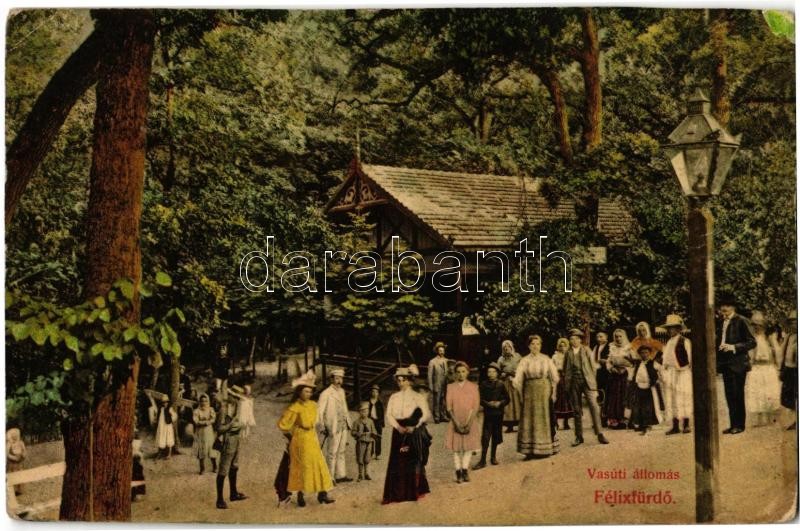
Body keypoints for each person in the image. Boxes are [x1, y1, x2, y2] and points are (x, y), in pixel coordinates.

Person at [277, 370, 335, 507]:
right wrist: (290, 437)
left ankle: (322, 494)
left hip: (312, 437)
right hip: (300, 439)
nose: (308, 394)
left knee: (319, 464)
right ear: (299, 392)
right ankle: (301, 494)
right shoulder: (295, 407)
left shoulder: (313, 405)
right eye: (305, 391)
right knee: (303, 467)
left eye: (310, 392)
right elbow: (283, 424)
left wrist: (323, 428)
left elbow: (318, 420)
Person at [383, 364, 433, 504]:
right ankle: (397, 493)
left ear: (409, 380)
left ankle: (413, 492)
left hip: (412, 430)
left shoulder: (417, 397)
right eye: (398, 380)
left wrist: (415, 426)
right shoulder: (394, 397)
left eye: (403, 380)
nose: (401, 383)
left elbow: (425, 414)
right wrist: (397, 427)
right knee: (397, 460)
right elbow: (389, 414)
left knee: (412, 459)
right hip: (398, 430)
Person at [514, 335, 560, 459]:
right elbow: (518, 379)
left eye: (538, 344)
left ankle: (545, 448)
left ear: (541, 346)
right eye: (533, 344)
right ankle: (529, 450)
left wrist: (553, 393)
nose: (535, 346)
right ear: (529, 346)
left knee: (544, 418)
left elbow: (555, 378)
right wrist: (521, 394)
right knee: (529, 419)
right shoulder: (524, 360)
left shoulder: (546, 359)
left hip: (544, 391)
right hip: (529, 392)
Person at [716, 293, 756, 434]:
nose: (724, 308)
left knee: (737, 394)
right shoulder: (721, 322)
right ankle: (733, 424)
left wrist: (733, 347)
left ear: (733, 307)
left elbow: (752, 342)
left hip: (738, 364)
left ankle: (739, 425)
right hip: (726, 364)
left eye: (727, 305)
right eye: (722, 305)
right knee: (729, 395)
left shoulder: (742, 321)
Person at [564, 328, 610, 446]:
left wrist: (592, 381)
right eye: (571, 339)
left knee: (594, 406)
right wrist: (567, 384)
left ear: (580, 340)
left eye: (576, 339)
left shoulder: (586, 350)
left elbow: (593, 367)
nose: (574, 341)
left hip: (587, 381)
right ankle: (578, 436)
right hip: (573, 382)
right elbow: (566, 369)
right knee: (576, 409)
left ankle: (600, 434)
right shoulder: (568, 353)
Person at [445, 361, 481, 483]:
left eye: (463, 371)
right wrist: (456, 423)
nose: (461, 374)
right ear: (455, 373)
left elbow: (475, 406)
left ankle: (465, 470)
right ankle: (458, 471)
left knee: (468, 447)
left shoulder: (473, 387)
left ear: (467, 373)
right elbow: (449, 407)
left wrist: (469, 423)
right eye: (458, 372)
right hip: (456, 420)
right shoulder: (450, 387)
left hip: (469, 419)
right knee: (456, 448)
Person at [745, 311, 781, 427]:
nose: (756, 327)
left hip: (768, 367)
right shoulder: (751, 338)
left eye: (759, 325)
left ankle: (770, 418)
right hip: (756, 368)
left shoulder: (769, 338)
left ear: (763, 325)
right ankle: (759, 419)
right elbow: (750, 354)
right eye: (754, 325)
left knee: (769, 392)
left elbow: (777, 352)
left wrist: (778, 366)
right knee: (757, 392)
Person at [317, 368, 353, 483]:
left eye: (341, 378)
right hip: (333, 426)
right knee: (332, 452)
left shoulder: (342, 391)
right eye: (337, 378)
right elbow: (319, 412)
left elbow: (344, 407)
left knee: (341, 450)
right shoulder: (326, 393)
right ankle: (330, 477)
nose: (339, 381)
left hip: (343, 425)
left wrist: (348, 421)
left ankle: (341, 475)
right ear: (331, 379)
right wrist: (322, 426)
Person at [660, 315, 693, 435]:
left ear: (679, 329)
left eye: (672, 328)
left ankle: (686, 424)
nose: (670, 330)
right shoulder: (669, 342)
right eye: (668, 328)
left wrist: (683, 368)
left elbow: (690, 359)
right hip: (671, 373)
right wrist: (664, 369)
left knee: (684, 396)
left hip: (682, 373)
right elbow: (665, 359)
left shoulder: (685, 341)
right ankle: (675, 425)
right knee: (672, 398)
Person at [215, 394, 248, 509]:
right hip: (227, 440)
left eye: (239, 398)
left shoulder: (238, 408)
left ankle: (233, 493)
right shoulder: (224, 410)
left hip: (236, 439)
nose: (238, 400)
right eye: (235, 397)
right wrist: (231, 424)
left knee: (234, 466)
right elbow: (218, 428)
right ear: (230, 396)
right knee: (224, 468)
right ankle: (219, 499)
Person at [474, 362, 509, 469]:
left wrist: (500, 403)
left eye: (493, 372)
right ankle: (482, 460)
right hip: (488, 414)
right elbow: (479, 399)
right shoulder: (483, 384)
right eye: (489, 372)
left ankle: (493, 457)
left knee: (496, 435)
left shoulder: (501, 384)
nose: (491, 374)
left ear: (497, 373)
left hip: (498, 414)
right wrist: (488, 404)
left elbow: (507, 399)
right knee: (485, 437)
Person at [630, 345, 664, 435]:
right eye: (642, 353)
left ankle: (648, 424)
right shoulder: (638, 363)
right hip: (639, 387)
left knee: (648, 407)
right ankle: (640, 424)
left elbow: (661, 371)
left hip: (649, 387)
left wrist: (657, 380)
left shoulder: (653, 363)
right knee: (638, 406)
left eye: (646, 352)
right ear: (639, 354)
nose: (644, 354)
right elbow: (634, 374)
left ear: (650, 354)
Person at [604, 329, 634, 429]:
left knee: (624, 396)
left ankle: (624, 420)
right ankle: (614, 419)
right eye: (616, 336)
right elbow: (608, 361)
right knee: (614, 396)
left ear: (624, 337)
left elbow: (633, 362)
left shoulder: (628, 348)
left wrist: (625, 368)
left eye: (620, 336)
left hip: (625, 375)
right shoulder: (612, 347)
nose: (618, 338)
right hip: (614, 375)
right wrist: (611, 368)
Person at [778, 311, 798, 430]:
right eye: (791, 322)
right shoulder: (789, 336)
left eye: (795, 322)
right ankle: (795, 420)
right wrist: (781, 369)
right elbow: (783, 353)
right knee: (789, 397)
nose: (793, 325)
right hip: (789, 369)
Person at [497, 339, 522, 432]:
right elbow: (497, 371)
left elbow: (522, 368)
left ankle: (520, 424)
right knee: (508, 403)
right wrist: (502, 374)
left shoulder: (517, 356)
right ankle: (509, 425)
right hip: (506, 383)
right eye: (504, 347)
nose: (507, 348)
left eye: (508, 347)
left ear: (512, 347)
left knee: (518, 402)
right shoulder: (501, 359)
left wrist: (515, 373)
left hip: (516, 381)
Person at [551, 338, 574, 430]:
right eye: (561, 346)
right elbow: (552, 368)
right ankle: (555, 421)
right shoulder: (555, 356)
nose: (562, 348)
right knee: (558, 399)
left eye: (564, 346)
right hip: (559, 378)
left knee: (567, 399)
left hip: (567, 379)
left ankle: (566, 422)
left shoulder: (569, 356)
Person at [351, 401, 377, 481]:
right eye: (363, 411)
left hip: (369, 442)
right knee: (360, 458)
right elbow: (353, 432)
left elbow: (374, 431)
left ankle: (366, 474)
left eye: (366, 411)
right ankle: (360, 474)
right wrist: (358, 433)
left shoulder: (370, 421)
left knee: (367, 458)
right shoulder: (356, 422)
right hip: (361, 442)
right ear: (359, 412)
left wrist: (373, 434)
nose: (365, 413)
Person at [193, 393, 217, 474]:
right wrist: (203, 422)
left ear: (208, 401)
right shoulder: (197, 411)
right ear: (199, 402)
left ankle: (215, 466)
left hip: (208, 431)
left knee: (211, 448)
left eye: (205, 401)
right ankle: (202, 468)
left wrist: (207, 422)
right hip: (200, 432)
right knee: (201, 449)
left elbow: (213, 419)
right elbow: (196, 421)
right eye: (202, 401)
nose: (204, 403)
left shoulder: (210, 409)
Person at [428, 342, 451, 423]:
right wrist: (431, 385)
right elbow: (430, 375)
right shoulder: (432, 361)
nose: (442, 352)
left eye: (443, 350)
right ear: (437, 351)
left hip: (445, 384)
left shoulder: (447, 361)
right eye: (440, 350)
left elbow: (450, 373)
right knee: (436, 401)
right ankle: (437, 417)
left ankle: (443, 416)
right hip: (437, 384)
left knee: (444, 400)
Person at [592, 332, 611, 426]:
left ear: (606, 337)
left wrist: (606, 361)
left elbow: (613, 359)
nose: (599, 338)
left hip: (608, 373)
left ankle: (607, 417)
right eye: (597, 337)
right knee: (600, 395)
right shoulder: (596, 348)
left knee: (607, 395)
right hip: (599, 373)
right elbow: (592, 360)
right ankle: (600, 418)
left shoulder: (610, 347)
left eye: (601, 336)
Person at [6, 428, 26, 495]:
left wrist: (23, 455)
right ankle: (13, 490)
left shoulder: (21, 443)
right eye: (13, 435)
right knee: (12, 475)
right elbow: (6, 454)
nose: (15, 436)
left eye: (16, 435)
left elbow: (24, 451)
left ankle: (20, 490)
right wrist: (13, 457)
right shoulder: (9, 444)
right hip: (12, 463)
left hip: (19, 463)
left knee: (20, 474)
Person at [367, 384, 385, 460]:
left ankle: (378, 454)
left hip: (378, 421)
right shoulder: (368, 402)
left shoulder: (379, 403)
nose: (374, 393)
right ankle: (370, 453)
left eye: (376, 392)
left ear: (378, 393)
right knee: (370, 437)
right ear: (371, 392)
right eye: (373, 391)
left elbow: (382, 414)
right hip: (370, 421)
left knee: (378, 437)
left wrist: (382, 423)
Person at [131, 435, 146, 501]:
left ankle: (137, 493)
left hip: (136, 458)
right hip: (132, 458)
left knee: (137, 476)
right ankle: (134, 493)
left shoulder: (136, 439)